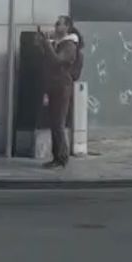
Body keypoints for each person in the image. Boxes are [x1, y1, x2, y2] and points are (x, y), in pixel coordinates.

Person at [37, 16, 83, 168]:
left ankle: (61, 158)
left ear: (67, 27)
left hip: (62, 87)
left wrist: (48, 45)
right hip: (53, 86)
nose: (55, 27)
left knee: (58, 123)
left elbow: (57, 61)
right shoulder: (59, 43)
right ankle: (56, 156)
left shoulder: (70, 45)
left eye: (59, 24)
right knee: (54, 122)